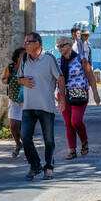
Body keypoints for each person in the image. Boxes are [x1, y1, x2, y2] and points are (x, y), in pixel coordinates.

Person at [17, 32, 66, 180]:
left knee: (49, 140)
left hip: (46, 106)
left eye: (28, 42)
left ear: (37, 43)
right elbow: (19, 78)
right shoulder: (25, 59)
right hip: (28, 106)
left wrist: (62, 99)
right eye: (25, 42)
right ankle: (35, 165)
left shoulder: (49, 59)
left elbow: (60, 78)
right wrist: (23, 81)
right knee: (25, 137)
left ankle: (49, 167)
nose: (25, 45)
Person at [56, 36, 100, 159]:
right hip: (64, 94)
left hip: (79, 93)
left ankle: (84, 141)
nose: (59, 48)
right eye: (58, 46)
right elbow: (58, 80)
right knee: (67, 124)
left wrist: (95, 93)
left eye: (61, 45)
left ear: (69, 45)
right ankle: (72, 150)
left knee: (76, 121)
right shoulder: (58, 62)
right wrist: (60, 99)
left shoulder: (81, 59)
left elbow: (90, 76)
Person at [1, 47, 26, 158]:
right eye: (22, 55)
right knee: (13, 126)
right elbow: (3, 80)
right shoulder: (10, 67)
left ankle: (28, 147)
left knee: (24, 126)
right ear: (17, 57)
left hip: (26, 100)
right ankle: (18, 143)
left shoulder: (28, 66)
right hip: (13, 99)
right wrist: (8, 78)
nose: (25, 56)